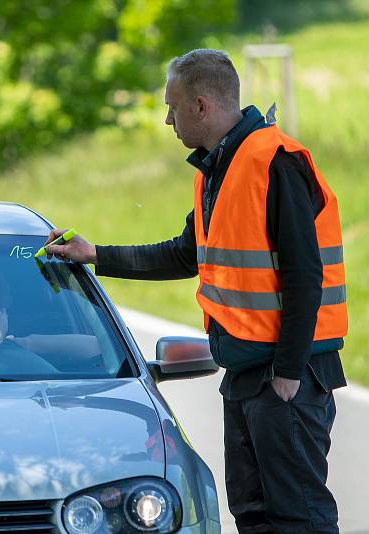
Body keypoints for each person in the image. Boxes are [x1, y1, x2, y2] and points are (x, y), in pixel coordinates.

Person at [45, 48, 347, 533]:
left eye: (172, 106)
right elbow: (185, 255)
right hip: (249, 373)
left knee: (299, 520)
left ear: (202, 105)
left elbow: (304, 275)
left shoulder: (274, 162)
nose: (167, 119)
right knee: (253, 515)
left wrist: (288, 372)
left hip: (288, 376)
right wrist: (95, 254)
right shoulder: (219, 170)